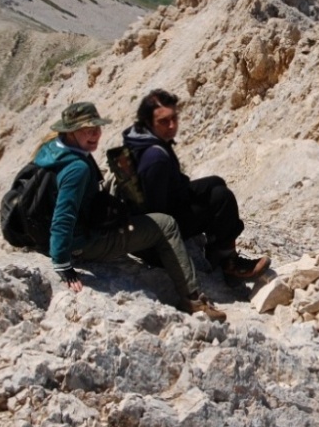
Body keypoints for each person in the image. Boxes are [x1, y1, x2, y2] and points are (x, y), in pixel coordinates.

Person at [35, 101, 226, 321]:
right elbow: (64, 215)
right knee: (165, 224)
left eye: (97, 128)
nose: (96, 134)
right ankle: (194, 301)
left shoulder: (51, 150)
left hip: (64, 227)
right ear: (71, 132)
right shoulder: (77, 169)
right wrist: (63, 264)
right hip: (84, 242)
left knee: (119, 182)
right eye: (88, 130)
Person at [122, 89, 271, 280]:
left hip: (154, 210)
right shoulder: (155, 158)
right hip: (155, 237)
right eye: (164, 121)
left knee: (216, 183)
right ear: (149, 122)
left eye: (174, 118)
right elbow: (158, 212)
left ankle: (218, 246)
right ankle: (229, 263)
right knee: (222, 198)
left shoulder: (141, 138)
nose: (172, 125)